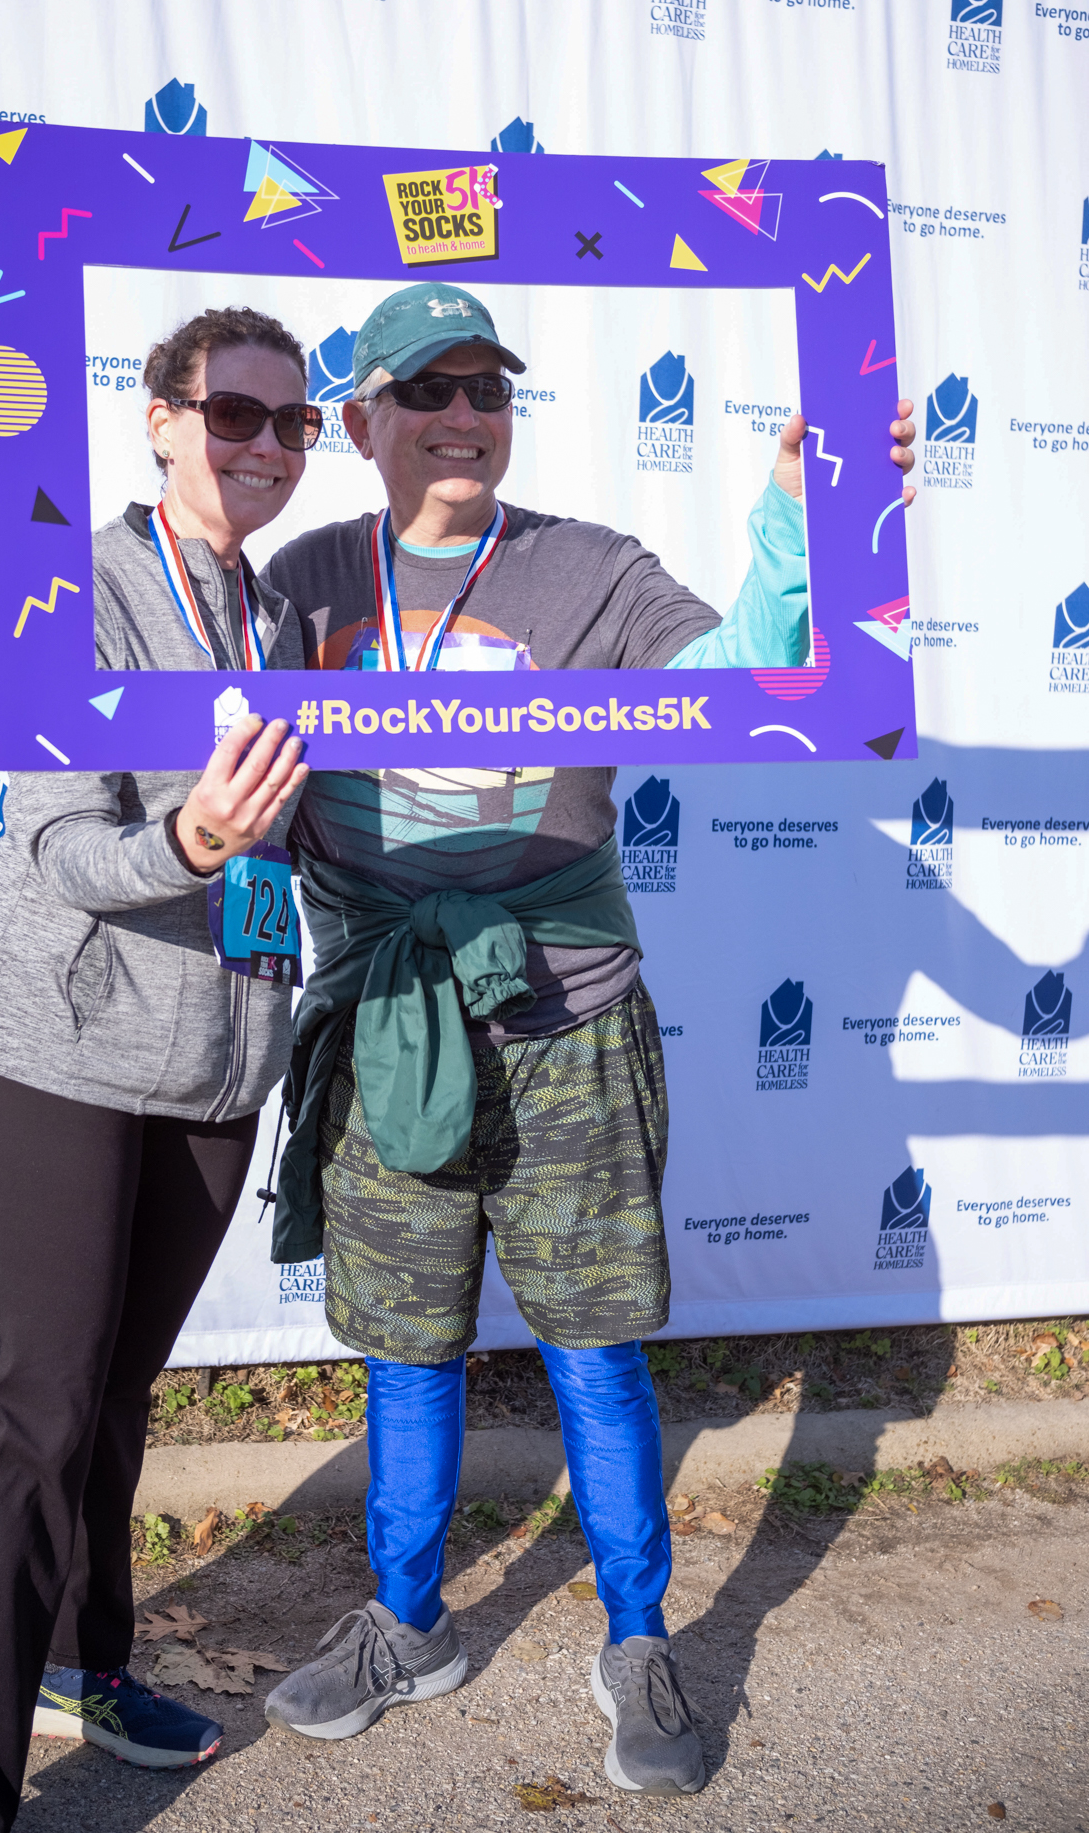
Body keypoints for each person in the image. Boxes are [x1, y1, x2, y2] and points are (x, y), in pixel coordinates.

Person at [259, 283, 916, 1795]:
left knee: (596, 1350)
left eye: (488, 387)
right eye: (429, 389)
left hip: (568, 1017)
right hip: (384, 1018)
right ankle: (406, 1623)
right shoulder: (301, 578)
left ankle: (634, 1639)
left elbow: (741, 675)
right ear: (359, 418)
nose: (465, 415)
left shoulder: (587, 569)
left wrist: (808, 515)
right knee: (406, 1351)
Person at [0, 307, 315, 1833]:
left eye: (292, 425)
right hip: (63, 1042)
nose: (265, 446)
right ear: (160, 417)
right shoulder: (78, 579)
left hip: (220, 1050)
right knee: (26, 1414)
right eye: (235, 415)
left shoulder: (285, 616)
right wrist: (193, 843)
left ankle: (78, 1660)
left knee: (113, 1401)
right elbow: (56, 840)